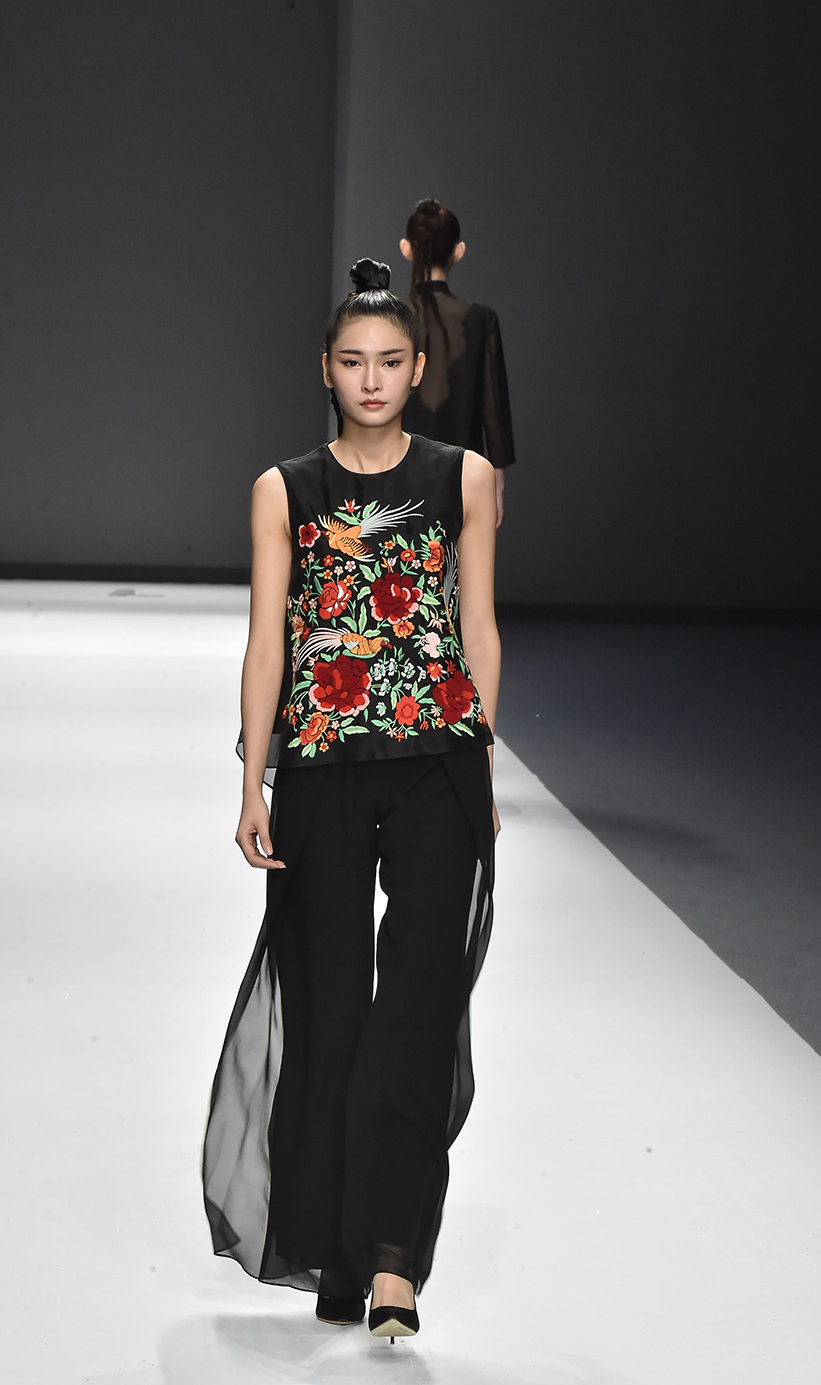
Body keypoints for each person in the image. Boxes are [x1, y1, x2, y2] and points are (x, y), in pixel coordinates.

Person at [203, 260, 501, 1344]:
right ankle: (336, 1242)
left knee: (416, 1007)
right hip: (321, 764)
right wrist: (253, 775)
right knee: (329, 1006)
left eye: (390, 361)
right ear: (324, 370)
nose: (371, 379)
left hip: (436, 761)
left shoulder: (465, 476)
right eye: (352, 361)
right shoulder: (284, 488)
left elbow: (478, 625)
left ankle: (391, 1261)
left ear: (418, 371)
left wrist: (482, 760)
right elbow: (267, 639)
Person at [398, 197, 515, 526]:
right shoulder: (479, 319)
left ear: (407, 249)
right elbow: (493, 407)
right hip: (463, 476)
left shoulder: (391, 317)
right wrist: (497, 482)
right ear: (458, 251)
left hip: (394, 473)